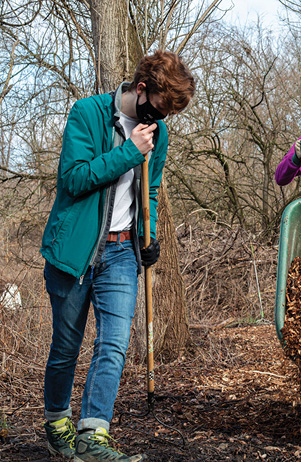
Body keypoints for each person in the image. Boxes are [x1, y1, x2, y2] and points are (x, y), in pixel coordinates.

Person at [40, 51, 195, 461]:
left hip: (122, 251)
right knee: (65, 348)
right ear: (141, 89)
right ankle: (57, 423)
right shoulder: (87, 113)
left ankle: (93, 436)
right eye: (161, 108)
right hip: (74, 251)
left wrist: (150, 235)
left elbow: (152, 190)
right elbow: (74, 179)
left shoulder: (157, 133)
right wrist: (129, 152)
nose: (162, 120)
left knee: (114, 343)